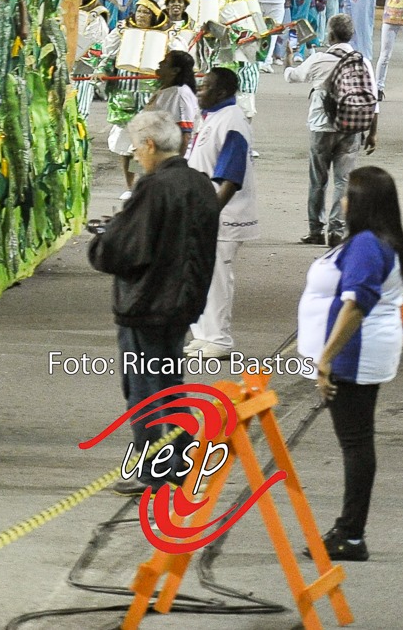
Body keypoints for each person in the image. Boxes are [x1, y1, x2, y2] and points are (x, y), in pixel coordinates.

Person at [85, 109, 220, 493]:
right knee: (170, 383)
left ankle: (154, 467)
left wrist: (104, 239)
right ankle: (179, 457)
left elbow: (125, 250)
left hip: (147, 304)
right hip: (184, 301)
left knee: (144, 388)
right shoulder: (199, 184)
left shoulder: (154, 187)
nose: (136, 156)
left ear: (148, 145)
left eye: (136, 148)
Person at [299, 165, 403, 564]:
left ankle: (350, 533)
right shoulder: (383, 240)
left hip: (355, 354)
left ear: (362, 203)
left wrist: (326, 358)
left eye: (348, 193)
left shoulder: (368, 244)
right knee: (357, 440)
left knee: (356, 442)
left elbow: (356, 303)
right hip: (364, 352)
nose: (343, 200)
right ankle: (348, 529)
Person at [287, 15, 378, 247]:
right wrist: (372, 132)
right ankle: (337, 231)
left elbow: (293, 76)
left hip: (322, 125)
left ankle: (315, 230)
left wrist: (290, 58)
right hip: (352, 127)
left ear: (330, 35)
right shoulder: (363, 61)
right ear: (351, 35)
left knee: (318, 180)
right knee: (343, 181)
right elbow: (374, 99)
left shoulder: (319, 59)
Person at [185, 67, 255, 357]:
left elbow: (231, 176)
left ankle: (219, 339)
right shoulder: (212, 116)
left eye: (206, 87)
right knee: (200, 274)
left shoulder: (232, 121)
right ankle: (202, 333)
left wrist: (210, 214)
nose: (200, 90)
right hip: (202, 212)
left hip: (221, 216)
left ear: (223, 92)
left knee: (216, 277)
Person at [110, 51, 199, 189]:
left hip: (167, 164)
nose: (159, 63)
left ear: (175, 71)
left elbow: (185, 134)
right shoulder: (166, 91)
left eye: (165, 62)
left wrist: (176, 166)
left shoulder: (180, 94)